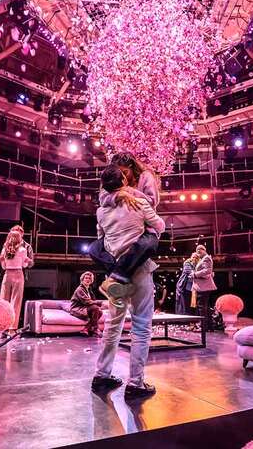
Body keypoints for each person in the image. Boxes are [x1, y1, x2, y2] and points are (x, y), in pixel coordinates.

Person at [91, 165, 165, 399]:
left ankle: (101, 376)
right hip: (139, 271)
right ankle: (136, 384)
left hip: (115, 272)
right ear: (124, 180)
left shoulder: (100, 212)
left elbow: (101, 240)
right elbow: (160, 226)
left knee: (113, 325)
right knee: (142, 326)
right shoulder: (139, 203)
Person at [89, 153, 161, 300]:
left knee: (148, 243)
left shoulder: (145, 176)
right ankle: (118, 276)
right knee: (94, 249)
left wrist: (129, 192)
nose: (123, 176)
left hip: (142, 226)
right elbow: (102, 199)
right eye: (120, 173)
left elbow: (152, 201)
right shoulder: (111, 177)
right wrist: (118, 195)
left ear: (132, 167)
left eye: (125, 172)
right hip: (117, 228)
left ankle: (113, 279)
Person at [0, 225, 34, 335]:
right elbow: (24, 265)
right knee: (14, 302)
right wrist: (26, 261)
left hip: (7, 274)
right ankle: (10, 328)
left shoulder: (6, 248)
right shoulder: (22, 250)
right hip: (17, 273)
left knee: (4, 300)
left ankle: (3, 327)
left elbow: (3, 266)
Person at [69, 272, 104, 337]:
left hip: (84, 308)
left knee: (99, 312)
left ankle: (86, 329)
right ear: (82, 279)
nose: (88, 280)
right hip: (77, 309)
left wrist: (97, 304)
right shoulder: (80, 289)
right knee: (96, 308)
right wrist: (99, 303)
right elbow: (86, 301)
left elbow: (92, 301)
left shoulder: (89, 289)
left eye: (90, 278)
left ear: (91, 281)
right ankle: (95, 329)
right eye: (86, 278)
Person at [192, 244, 217, 333]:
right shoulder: (203, 258)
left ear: (204, 250)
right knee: (205, 307)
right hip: (203, 286)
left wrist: (195, 274)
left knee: (202, 307)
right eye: (197, 251)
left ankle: (204, 327)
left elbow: (208, 270)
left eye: (199, 250)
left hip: (203, 286)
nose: (198, 252)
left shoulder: (206, 258)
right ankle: (210, 326)